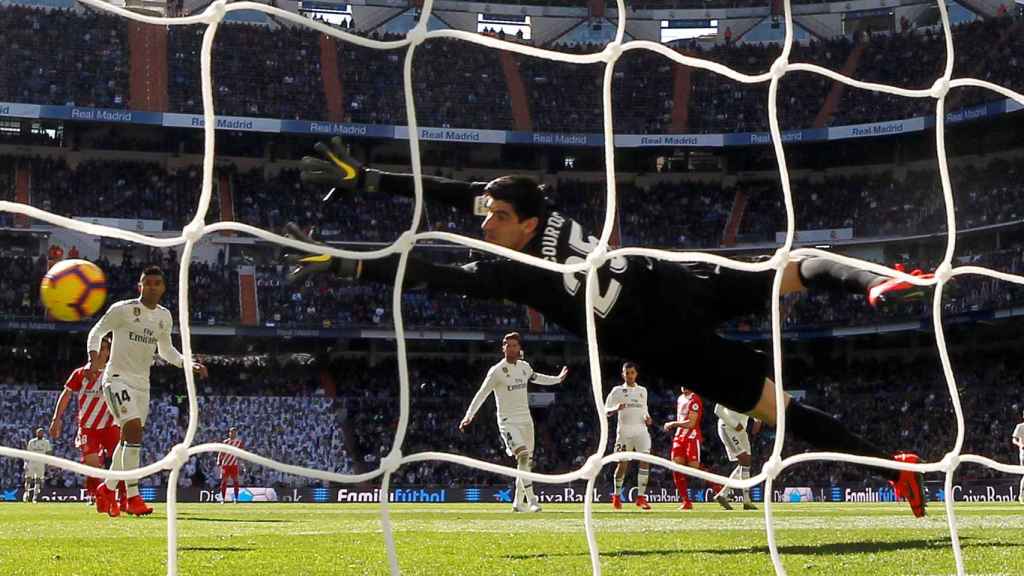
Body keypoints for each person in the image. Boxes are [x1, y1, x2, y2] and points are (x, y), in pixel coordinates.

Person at [291, 137, 929, 517]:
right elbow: (455, 191)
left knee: (783, 287)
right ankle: (892, 461)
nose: (484, 223)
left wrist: (351, 267)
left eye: (496, 216)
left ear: (520, 221)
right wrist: (371, 181)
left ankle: (878, 279)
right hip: (666, 304)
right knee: (779, 403)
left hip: (663, 314)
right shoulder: (541, 214)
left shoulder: (519, 274)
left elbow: (432, 274)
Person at [86, 265, 208, 517]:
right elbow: (97, 331)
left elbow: (166, 350)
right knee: (132, 429)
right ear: (139, 286)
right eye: (147, 282)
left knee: (129, 439)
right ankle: (132, 496)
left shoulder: (164, 317)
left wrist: (188, 363)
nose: (152, 286)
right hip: (116, 379)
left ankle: (107, 488)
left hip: (143, 385)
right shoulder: (123, 310)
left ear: (163, 288)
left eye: (156, 283)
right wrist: (92, 357)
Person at [459, 332, 569, 513]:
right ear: (503, 348)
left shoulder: (524, 367)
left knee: (526, 463)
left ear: (519, 348)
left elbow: (537, 377)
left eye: (514, 345)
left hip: (526, 420)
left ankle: (518, 503)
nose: (511, 348)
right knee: (523, 456)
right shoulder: (496, 371)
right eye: (508, 345)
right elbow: (482, 393)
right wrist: (468, 416)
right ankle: (532, 500)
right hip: (508, 421)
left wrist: (557, 379)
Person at [50, 334, 127, 509]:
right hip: (88, 428)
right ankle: (98, 497)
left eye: (105, 348)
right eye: (98, 348)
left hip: (110, 427)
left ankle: (123, 497)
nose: (101, 352)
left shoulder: (114, 373)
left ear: (108, 352)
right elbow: (66, 394)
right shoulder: (80, 374)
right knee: (92, 465)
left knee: (121, 462)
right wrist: (57, 418)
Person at [604, 361, 652, 511]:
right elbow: (605, 410)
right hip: (624, 432)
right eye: (627, 373)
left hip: (641, 431)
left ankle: (641, 498)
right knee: (622, 464)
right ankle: (617, 496)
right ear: (623, 374)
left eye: (632, 372)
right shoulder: (617, 391)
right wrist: (615, 408)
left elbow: (645, 409)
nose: (630, 375)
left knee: (645, 461)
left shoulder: (643, 391)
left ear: (636, 374)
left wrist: (647, 417)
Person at [663, 387, 708, 510]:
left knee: (694, 469)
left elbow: (691, 423)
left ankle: (717, 487)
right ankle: (686, 501)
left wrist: (673, 424)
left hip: (692, 437)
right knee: (676, 467)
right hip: (679, 437)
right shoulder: (680, 398)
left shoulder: (695, 400)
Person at [712, 403, 760, 510]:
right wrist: (734, 424)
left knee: (745, 463)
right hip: (728, 427)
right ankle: (746, 501)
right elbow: (717, 410)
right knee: (745, 460)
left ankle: (724, 495)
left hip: (741, 430)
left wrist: (757, 419)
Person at [23, 428, 52, 503]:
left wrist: (49, 462)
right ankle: (26, 494)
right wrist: (26, 463)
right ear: (36, 433)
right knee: (28, 478)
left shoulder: (46, 442)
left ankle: (35, 497)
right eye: (39, 432)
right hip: (32, 462)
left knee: (38, 480)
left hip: (41, 463)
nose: (40, 434)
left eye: (42, 432)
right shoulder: (32, 442)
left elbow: (49, 452)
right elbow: (28, 453)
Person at [217, 427, 245, 503]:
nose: (233, 434)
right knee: (224, 481)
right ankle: (222, 498)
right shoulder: (225, 442)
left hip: (234, 465)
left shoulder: (238, 443)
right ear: (229, 433)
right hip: (225, 465)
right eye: (232, 432)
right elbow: (221, 452)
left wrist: (242, 464)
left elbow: (242, 454)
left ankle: (236, 498)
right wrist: (219, 461)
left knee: (236, 481)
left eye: (234, 433)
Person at [1013, 410, 1024, 504]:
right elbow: (1014, 439)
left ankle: (1021, 495)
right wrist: (1020, 445)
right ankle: (1021, 495)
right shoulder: (1020, 426)